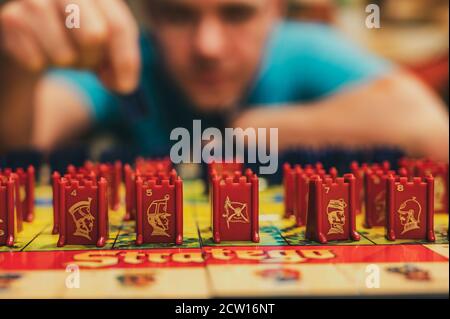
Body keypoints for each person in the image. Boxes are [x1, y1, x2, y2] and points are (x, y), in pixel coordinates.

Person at [0, 0, 448, 162]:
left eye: (237, 13)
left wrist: (245, 131)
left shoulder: (303, 48)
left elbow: (432, 130)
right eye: (178, 15)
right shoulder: (125, 61)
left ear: (275, 11)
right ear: (149, 17)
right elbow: (20, 142)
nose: (208, 46)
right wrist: (13, 66)